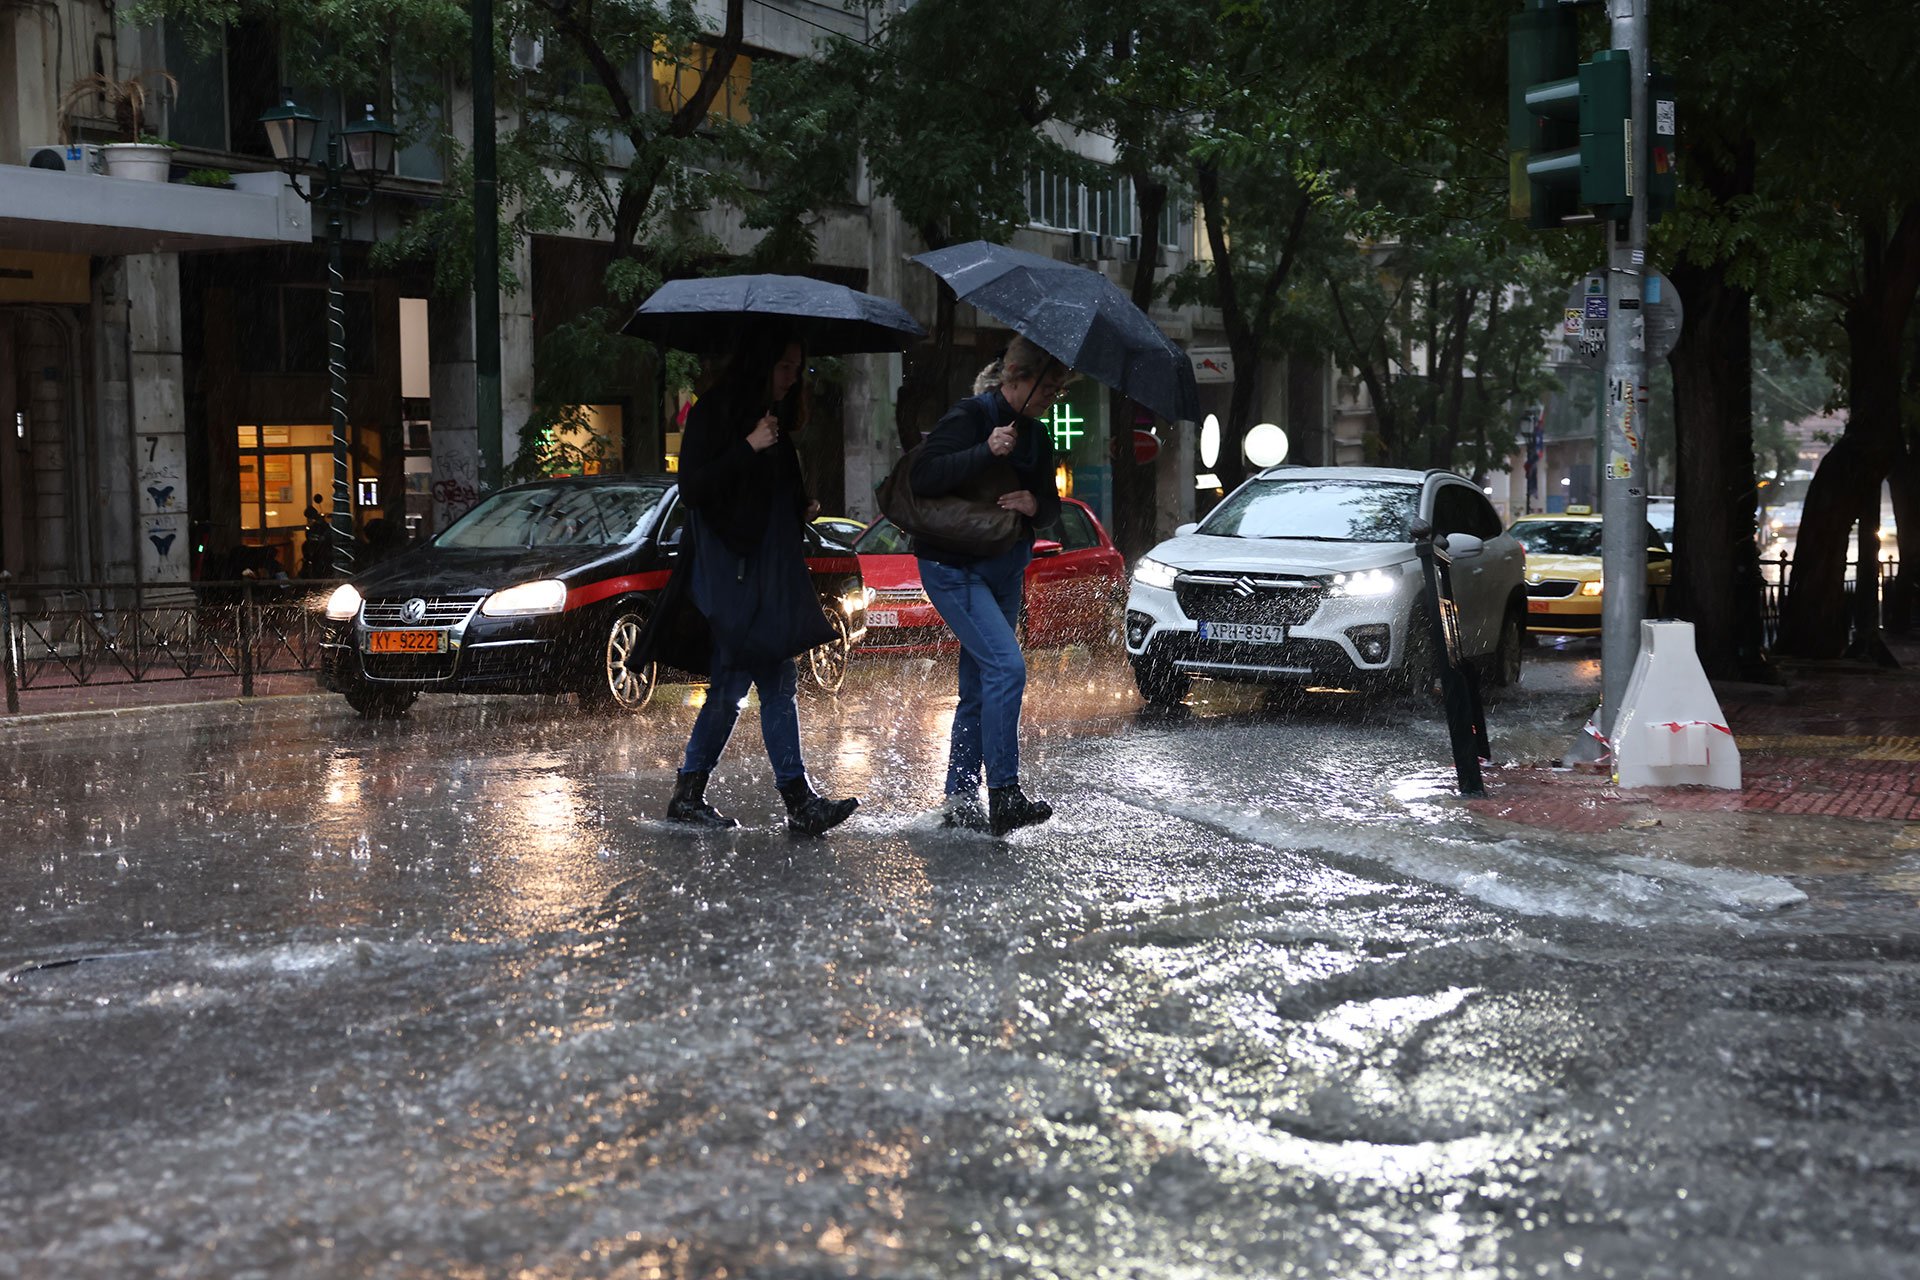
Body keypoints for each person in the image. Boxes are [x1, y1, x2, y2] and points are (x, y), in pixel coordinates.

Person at [665, 329, 860, 837]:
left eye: (798, 368)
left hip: (769, 571)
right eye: (785, 366)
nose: (793, 377)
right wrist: (749, 447)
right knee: (758, 680)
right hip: (734, 573)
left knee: (748, 683)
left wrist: (801, 508)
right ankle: (791, 798)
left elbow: (768, 498)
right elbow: (694, 488)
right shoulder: (717, 415)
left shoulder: (773, 424)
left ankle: (695, 793)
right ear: (759, 364)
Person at [911, 334, 1068, 835]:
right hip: (953, 568)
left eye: (1057, 391)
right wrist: (984, 451)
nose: (1051, 397)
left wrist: (1034, 506)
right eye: (1046, 387)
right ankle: (1004, 793)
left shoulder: (1039, 437)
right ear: (1014, 378)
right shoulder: (971, 416)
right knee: (1007, 669)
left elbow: (1051, 506)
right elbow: (924, 477)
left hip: (1004, 569)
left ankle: (960, 800)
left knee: (979, 688)